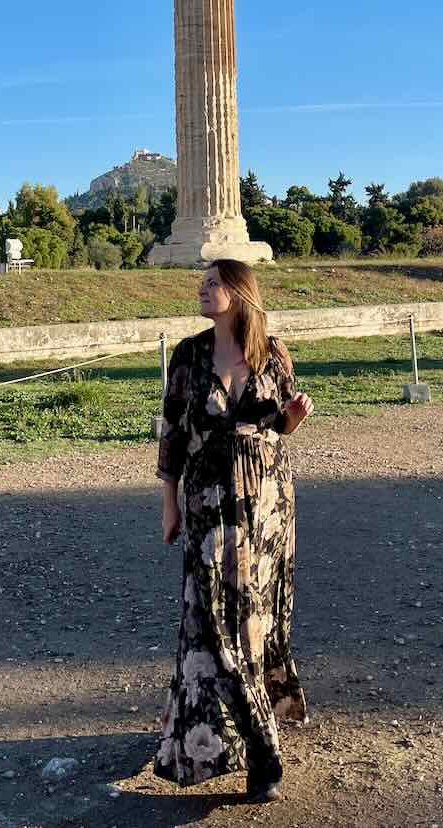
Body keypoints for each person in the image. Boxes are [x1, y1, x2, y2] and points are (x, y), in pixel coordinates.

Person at [153, 258, 314, 802]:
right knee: (215, 623)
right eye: (202, 282)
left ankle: (248, 729)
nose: (203, 289)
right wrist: (168, 505)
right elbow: (173, 433)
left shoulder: (273, 353)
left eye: (214, 282)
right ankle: (263, 745)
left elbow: (279, 426)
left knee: (256, 622)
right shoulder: (188, 355)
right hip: (206, 499)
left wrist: (293, 415)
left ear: (240, 293)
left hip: (266, 504)